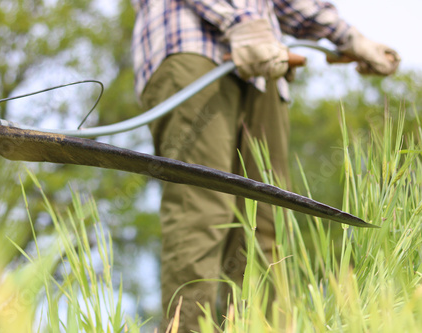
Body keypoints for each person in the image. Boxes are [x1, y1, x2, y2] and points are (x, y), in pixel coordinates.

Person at [130, 1, 400, 332]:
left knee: (266, 216)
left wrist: (347, 35)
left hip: (266, 61)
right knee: (202, 209)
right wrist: (241, 23)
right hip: (190, 44)